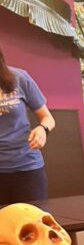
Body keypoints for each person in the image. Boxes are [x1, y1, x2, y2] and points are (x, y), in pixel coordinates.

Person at [0, 46, 55, 203]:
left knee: (32, 218)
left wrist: (42, 129)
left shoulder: (20, 78)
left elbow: (48, 118)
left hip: (28, 168)